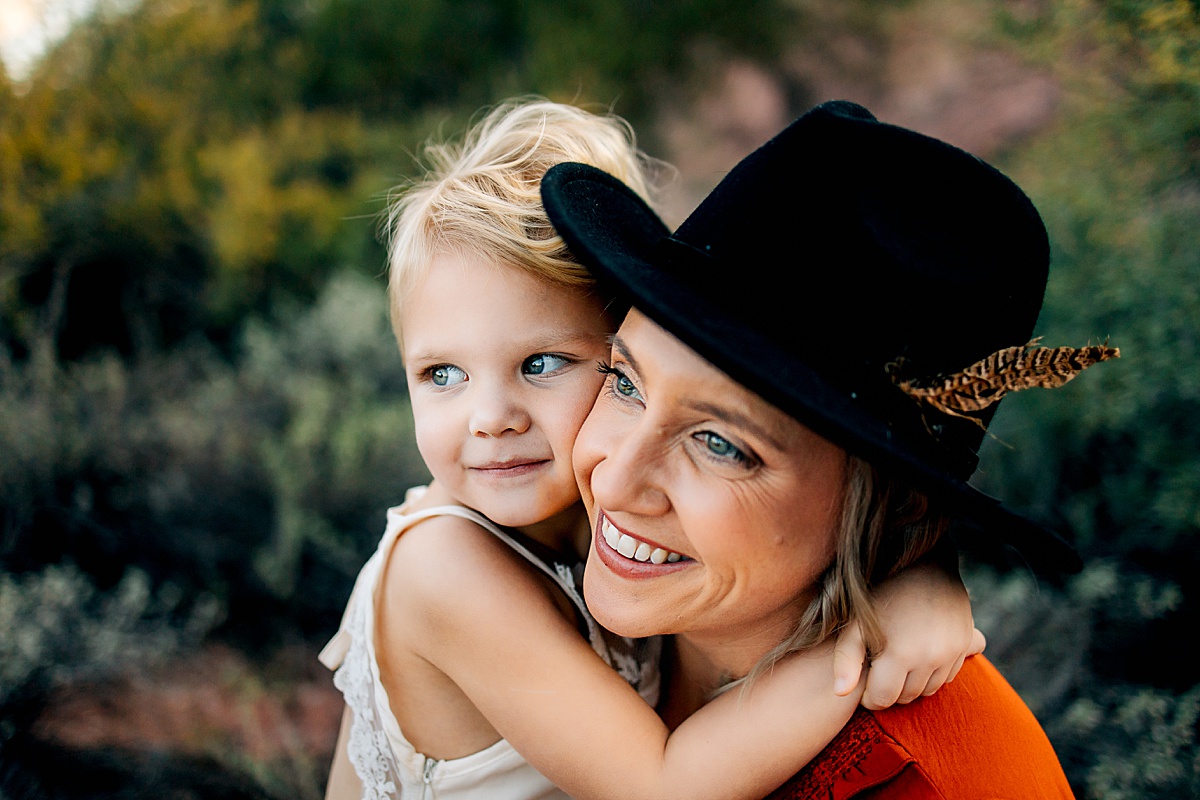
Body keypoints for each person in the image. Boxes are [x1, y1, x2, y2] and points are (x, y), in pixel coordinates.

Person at [318, 99, 985, 800]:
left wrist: (922, 569)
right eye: (440, 374)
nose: (489, 420)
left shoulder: (598, 517)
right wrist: (865, 646)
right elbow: (660, 786)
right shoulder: (446, 570)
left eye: (541, 364)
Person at [541, 99, 1120, 797]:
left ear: (902, 505)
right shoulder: (540, 574)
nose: (613, 481)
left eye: (720, 444)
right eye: (625, 382)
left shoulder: (927, 783)